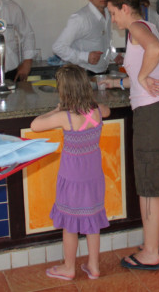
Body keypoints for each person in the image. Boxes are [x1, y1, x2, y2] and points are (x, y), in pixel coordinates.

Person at [102, 0, 159, 271]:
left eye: (113, 13)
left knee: (149, 186)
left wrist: (142, 75)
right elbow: (148, 71)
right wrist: (118, 83)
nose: (113, 20)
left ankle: (150, 253)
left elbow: (154, 51)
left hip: (153, 115)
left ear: (125, 8)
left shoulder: (137, 27)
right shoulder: (147, 27)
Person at [30, 64, 111, 281]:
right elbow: (107, 110)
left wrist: (55, 110)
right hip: (94, 177)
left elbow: (35, 125)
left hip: (72, 178)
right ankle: (94, 266)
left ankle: (69, 267)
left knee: (70, 224)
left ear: (64, 91)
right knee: (92, 221)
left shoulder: (65, 117)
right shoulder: (97, 111)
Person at [52, 0, 118, 74]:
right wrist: (86, 57)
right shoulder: (80, 18)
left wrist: (114, 55)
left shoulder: (108, 14)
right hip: (83, 73)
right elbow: (58, 47)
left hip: (102, 72)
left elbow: (104, 42)